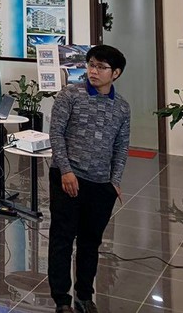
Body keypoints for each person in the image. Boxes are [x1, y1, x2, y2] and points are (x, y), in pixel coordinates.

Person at [48, 45, 131, 313]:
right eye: (91, 65)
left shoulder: (122, 107)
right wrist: (66, 171)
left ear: (116, 73)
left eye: (101, 67)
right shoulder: (70, 95)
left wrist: (114, 182)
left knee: (90, 242)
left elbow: (121, 146)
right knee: (62, 239)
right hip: (67, 179)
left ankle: (84, 296)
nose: (94, 71)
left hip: (100, 185)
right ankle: (61, 299)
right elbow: (56, 134)